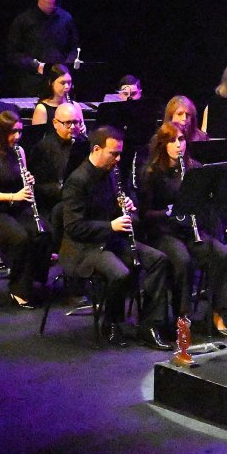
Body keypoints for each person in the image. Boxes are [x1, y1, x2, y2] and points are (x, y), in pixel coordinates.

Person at [59, 126, 173, 350]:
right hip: (83, 248)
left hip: (111, 241)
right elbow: (73, 227)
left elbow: (131, 207)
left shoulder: (113, 173)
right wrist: (110, 225)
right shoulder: (77, 181)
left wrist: (129, 207)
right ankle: (111, 323)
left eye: (120, 153)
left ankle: (150, 326)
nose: (118, 159)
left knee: (158, 259)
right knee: (120, 273)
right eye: (114, 153)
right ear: (96, 149)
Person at [137, 122, 227, 338]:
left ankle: (217, 313)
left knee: (224, 255)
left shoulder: (195, 169)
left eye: (181, 140)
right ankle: (182, 316)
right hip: (163, 232)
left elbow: (208, 202)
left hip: (188, 229)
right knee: (182, 260)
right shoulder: (152, 172)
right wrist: (169, 212)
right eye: (172, 141)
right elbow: (145, 214)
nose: (178, 145)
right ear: (162, 144)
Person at [0, 111, 50, 307]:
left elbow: (19, 181)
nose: (17, 136)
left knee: (43, 232)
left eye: (20, 131)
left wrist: (28, 181)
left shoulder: (19, 152)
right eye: (12, 132)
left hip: (14, 208)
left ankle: (32, 279)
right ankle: (18, 289)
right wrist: (14, 196)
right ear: (1, 132)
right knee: (20, 238)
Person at [6, 0, 81, 97]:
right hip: (33, 83)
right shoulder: (23, 20)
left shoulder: (66, 18)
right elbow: (13, 54)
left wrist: (67, 66)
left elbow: (74, 47)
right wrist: (35, 65)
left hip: (60, 83)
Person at [27, 102, 89, 221]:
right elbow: (37, 184)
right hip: (54, 203)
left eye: (75, 122)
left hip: (81, 200)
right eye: (67, 123)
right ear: (55, 123)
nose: (72, 127)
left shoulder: (85, 143)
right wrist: (60, 190)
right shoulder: (43, 147)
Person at [31, 64, 85, 130]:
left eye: (69, 82)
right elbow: (38, 138)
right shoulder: (42, 109)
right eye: (62, 83)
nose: (67, 87)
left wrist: (82, 131)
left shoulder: (76, 106)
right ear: (51, 83)